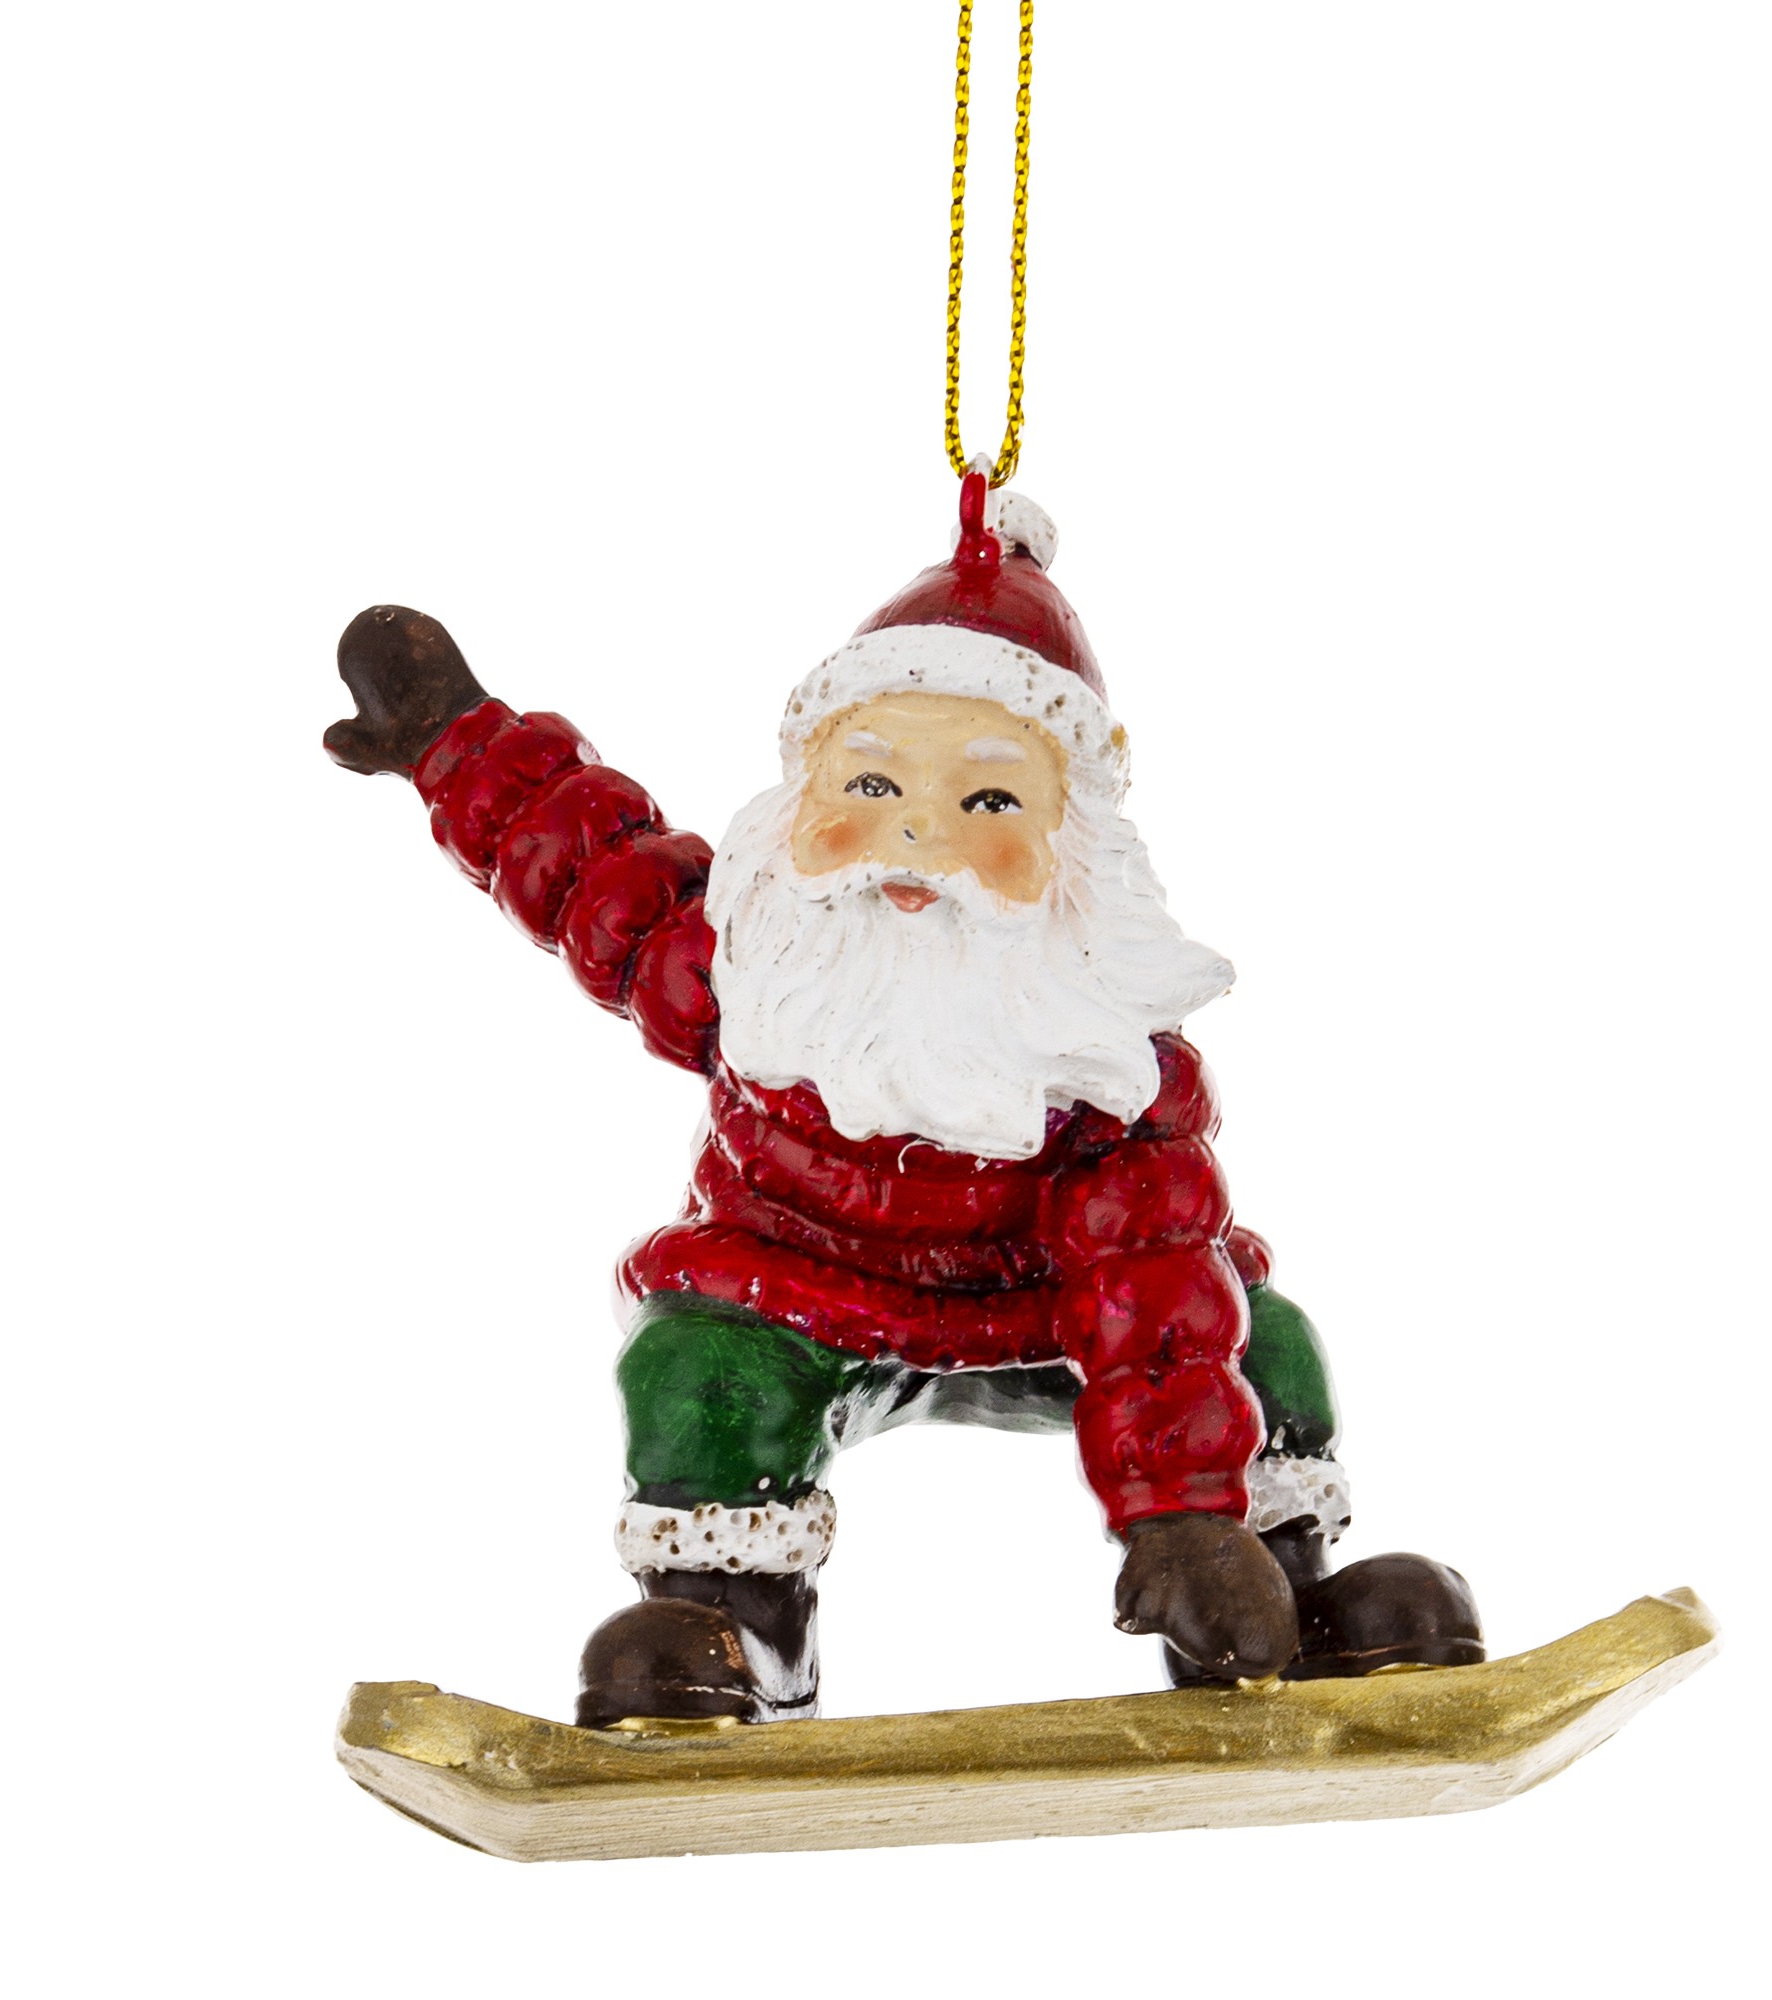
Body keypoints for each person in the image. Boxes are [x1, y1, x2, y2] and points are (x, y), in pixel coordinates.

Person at [325, 473, 1481, 1725]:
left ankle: (1269, 1601)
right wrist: (453, 738)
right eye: (870, 787)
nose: (913, 838)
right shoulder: (752, 966)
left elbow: (1149, 1289)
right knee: (695, 1372)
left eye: (987, 801)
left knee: (1259, 1343)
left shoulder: (1104, 1062)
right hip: (794, 1290)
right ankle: (735, 1627)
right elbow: (590, 870)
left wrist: (1184, 1520)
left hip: (1047, 1307)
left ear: (1071, 844)